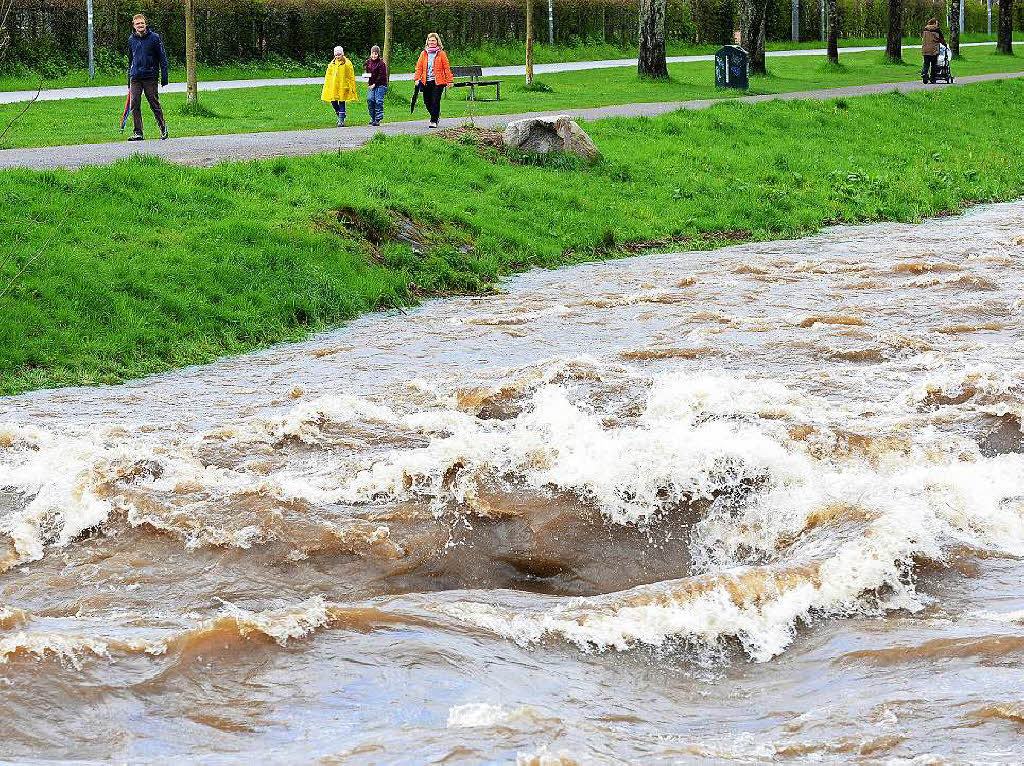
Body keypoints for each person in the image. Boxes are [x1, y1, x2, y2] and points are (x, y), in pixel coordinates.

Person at [126, 13, 169, 141]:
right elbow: (130, 60)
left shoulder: (154, 38)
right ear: (134, 26)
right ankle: (138, 132)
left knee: (154, 103)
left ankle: (163, 128)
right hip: (135, 77)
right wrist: (128, 79)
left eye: (142, 23)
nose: (140, 25)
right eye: (137, 24)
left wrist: (164, 76)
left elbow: (162, 57)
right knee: (134, 104)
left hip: (150, 76)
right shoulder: (131, 40)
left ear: (146, 24)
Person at [414, 33, 454, 128]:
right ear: (427, 41)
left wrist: (450, 80)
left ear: (437, 42)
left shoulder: (441, 54)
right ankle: (436, 113)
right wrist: (417, 78)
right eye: (430, 40)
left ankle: (433, 120)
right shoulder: (423, 53)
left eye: (433, 40)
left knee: (435, 100)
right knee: (427, 101)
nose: (431, 42)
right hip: (426, 81)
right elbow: (419, 67)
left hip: (438, 82)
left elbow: (446, 68)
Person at [322, 46, 358, 127]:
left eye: (339, 54)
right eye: (336, 55)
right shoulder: (332, 64)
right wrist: (328, 86)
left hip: (343, 87)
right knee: (333, 101)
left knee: (342, 102)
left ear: (342, 54)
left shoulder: (347, 63)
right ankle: (340, 114)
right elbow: (329, 77)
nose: (338, 56)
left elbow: (350, 76)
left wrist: (350, 85)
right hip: (334, 87)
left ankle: (341, 120)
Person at [364, 45, 389, 127]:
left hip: (381, 84)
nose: (374, 55)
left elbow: (381, 76)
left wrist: (374, 84)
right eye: (372, 53)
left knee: (378, 101)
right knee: (370, 100)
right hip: (371, 84)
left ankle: (378, 119)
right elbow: (368, 73)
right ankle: (372, 117)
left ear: (378, 54)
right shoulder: (368, 62)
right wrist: (366, 75)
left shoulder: (381, 64)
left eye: (376, 54)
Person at [921, 18, 946, 85]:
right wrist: (945, 44)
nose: (937, 25)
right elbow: (942, 39)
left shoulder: (925, 29)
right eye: (937, 23)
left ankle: (924, 73)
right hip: (934, 50)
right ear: (934, 23)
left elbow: (923, 38)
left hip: (925, 49)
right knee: (934, 65)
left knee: (926, 63)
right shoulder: (937, 30)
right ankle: (932, 79)